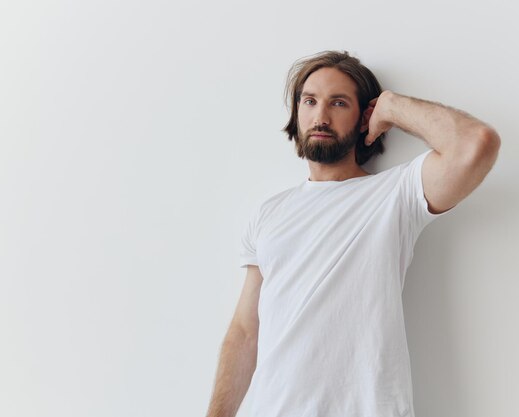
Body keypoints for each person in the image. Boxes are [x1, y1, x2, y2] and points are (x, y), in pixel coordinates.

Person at [205, 50, 500, 417]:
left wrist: (392, 107)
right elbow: (246, 330)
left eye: (338, 103)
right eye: (309, 101)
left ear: (364, 118)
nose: (321, 116)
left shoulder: (397, 193)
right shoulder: (269, 213)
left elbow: (477, 144)